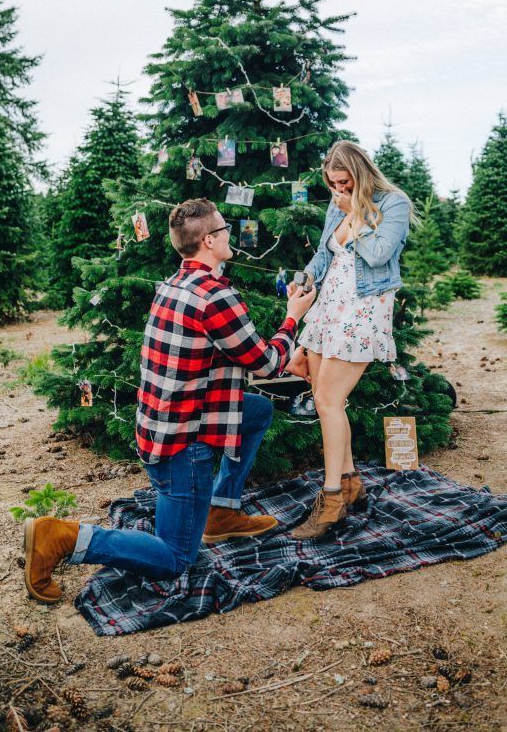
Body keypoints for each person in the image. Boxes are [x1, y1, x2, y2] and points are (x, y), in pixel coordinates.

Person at [23, 198, 315, 604]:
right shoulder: (215, 298)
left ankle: (222, 508)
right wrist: (292, 316)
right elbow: (265, 363)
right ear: (211, 241)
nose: (231, 232)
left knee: (258, 411)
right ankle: (64, 537)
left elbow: (218, 359)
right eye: (225, 228)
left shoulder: (174, 284)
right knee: (176, 556)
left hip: (160, 423)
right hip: (182, 445)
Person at [289, 140, 413, 540]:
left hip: (363, 309)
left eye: (344, 182)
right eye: (333, 185)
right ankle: (350, 482)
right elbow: (325, 257)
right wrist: (302, 281)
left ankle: (331, 500)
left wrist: (355, 215)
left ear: (359, 174)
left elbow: (378, 255)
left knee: (326, 401)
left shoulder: (392, 203)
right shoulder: (337, 203)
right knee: (327, 398)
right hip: (331, 306)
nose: (338, 191)